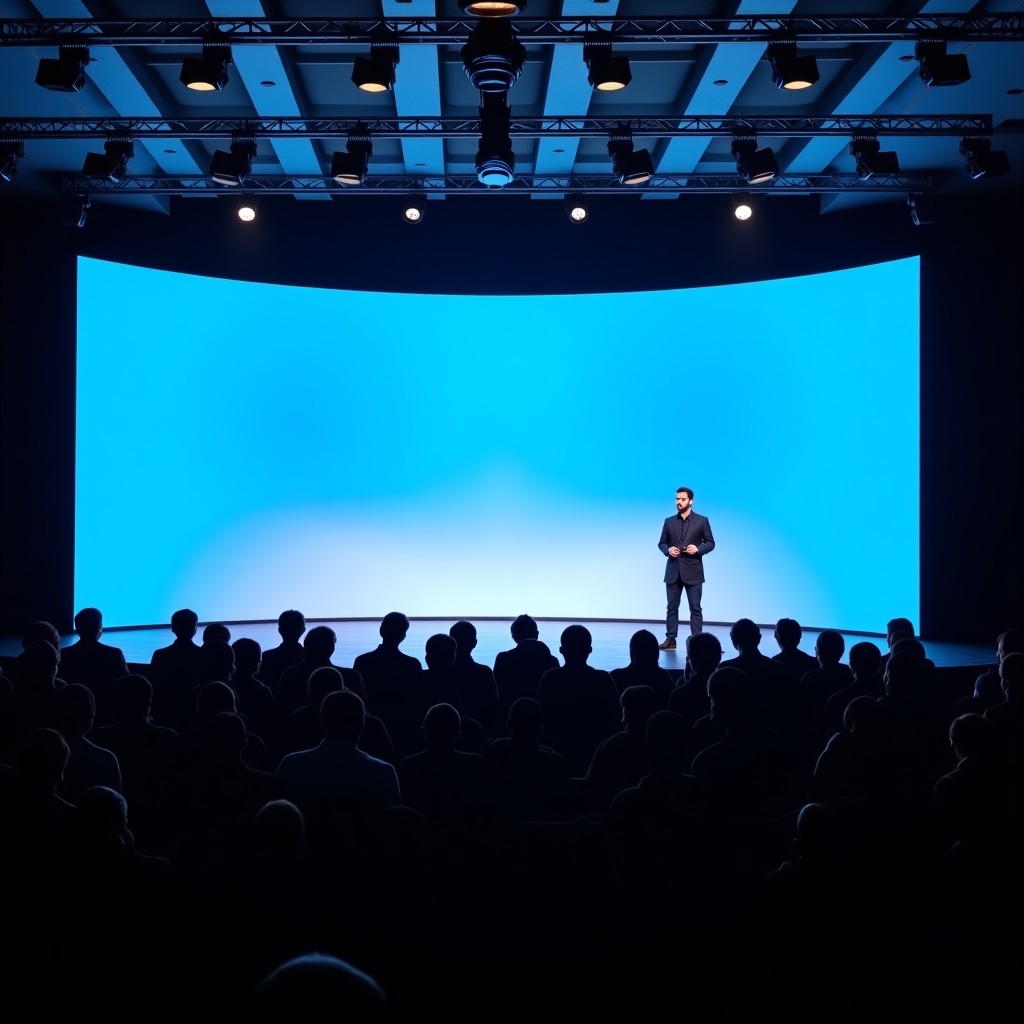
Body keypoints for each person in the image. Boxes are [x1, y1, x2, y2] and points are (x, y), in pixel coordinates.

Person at [657, 486, 715, 649]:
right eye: (677, 499)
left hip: (693, 570)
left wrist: (698, 549)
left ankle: (698, 642)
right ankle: (671, 639)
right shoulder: (669, 521)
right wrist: (667, 550)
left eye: (682, 499)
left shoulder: (701, 521)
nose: (679, 502)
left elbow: (710, 542)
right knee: (671, 608)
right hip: (673, 569)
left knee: (695, 608)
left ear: (691, 501)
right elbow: (662, 542)